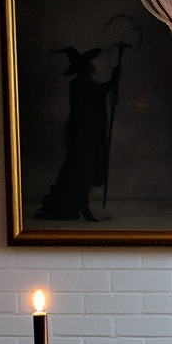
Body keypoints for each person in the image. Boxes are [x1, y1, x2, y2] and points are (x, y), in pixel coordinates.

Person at [36, 47, 119, 221]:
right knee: (82, 170)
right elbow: (96, 95)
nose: (91, 66)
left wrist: (113, 80)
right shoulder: (81, 84)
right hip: (84, 134)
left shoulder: (85, 83)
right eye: (88, 64)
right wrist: (112, 80)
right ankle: (80, 207)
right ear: (83, 68)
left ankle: (79, 207)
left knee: (82, 170)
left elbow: (99, 92)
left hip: (86, 133)